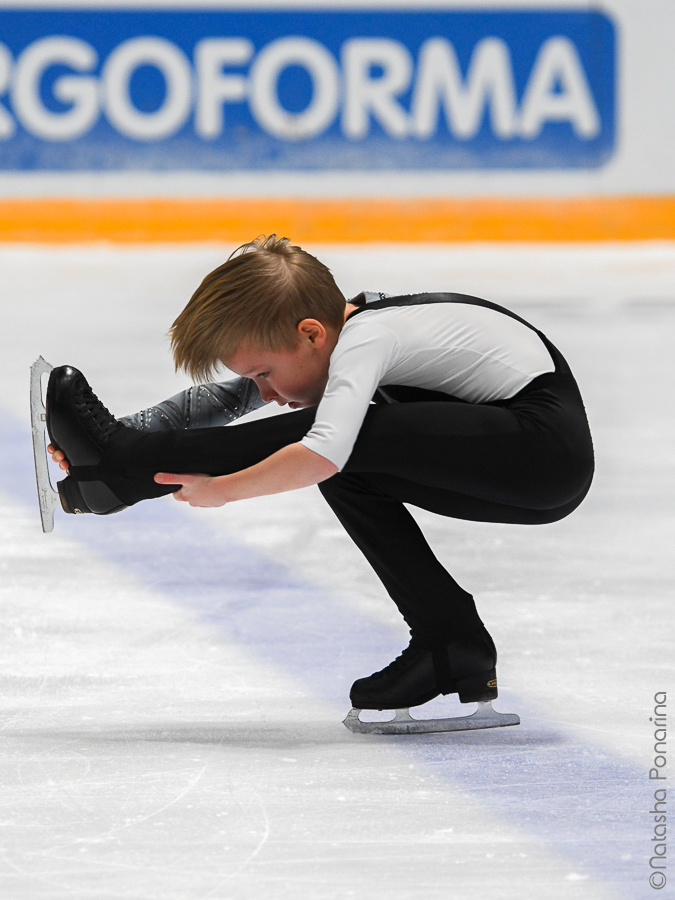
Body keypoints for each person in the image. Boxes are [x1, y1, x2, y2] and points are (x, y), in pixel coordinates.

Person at [46, 234, 594, 723]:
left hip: (540, 447)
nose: (264, 392)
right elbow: (230, 403)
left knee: (337, 441)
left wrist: (216, 488)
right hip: (530, 459)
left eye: (264, 373)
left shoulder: (366, 337)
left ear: (311, 334)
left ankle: (119, 469)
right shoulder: (338, 330)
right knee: (349, 458)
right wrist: (123, 439)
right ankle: (449, 642)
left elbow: (322, 450)